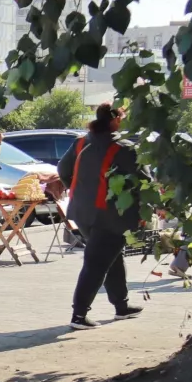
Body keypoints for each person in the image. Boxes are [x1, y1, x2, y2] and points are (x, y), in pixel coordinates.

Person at [58, 103, 145, 330]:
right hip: (111, 216)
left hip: (81, 212)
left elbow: (62, 170)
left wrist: (75, 189)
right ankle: (79, 316)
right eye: (122, 116)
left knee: (112, 258)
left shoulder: (80, 143)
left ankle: (121, 306)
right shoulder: (124, 148)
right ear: (115, 119)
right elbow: (144, 182)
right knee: (97, 263)